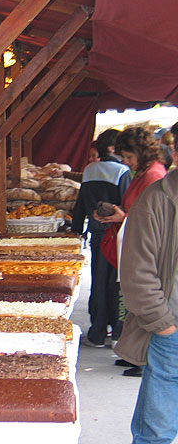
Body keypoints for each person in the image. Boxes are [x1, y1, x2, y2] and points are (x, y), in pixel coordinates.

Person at [114, 122, 178, 443]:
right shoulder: (158, 199)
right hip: (172, 327)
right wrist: (163, 324)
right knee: (157, 429)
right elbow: (137, 272)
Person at [94, 127, 166, 372]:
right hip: (133, 242)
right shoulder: (142, 173)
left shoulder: (153, 176)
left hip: (146, 248)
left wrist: (120, 216)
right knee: (132, 302)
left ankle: (144, 358)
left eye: (128, 157)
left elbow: (153, 219)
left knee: (142, 301)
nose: (125, 162)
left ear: (141, 152)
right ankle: (135, 353)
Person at [72, 129, 132, 347]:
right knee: (116, 282)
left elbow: (80, 204)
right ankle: (117, 331)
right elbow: (127, 203)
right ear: (113, 148)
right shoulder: (122, 171)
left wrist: (76, 227)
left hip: (96, 234)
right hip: (117, 234)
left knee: (98, 280)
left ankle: (97, 330)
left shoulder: (89, 170)